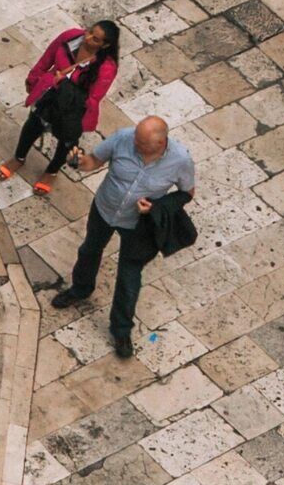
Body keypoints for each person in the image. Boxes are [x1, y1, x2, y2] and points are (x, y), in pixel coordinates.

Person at [44, 114, 194, 361]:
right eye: (136, 138)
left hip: (139, 224)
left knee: (129, 275)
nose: (134, 144)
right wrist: (78, 162)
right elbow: (93, 161)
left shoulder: (181, 160)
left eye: (142, 143)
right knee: (89, 250)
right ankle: (80, 289)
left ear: (161, 144)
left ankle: (121, 330)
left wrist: (155, 207)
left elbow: (186, 193)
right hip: (104, 208)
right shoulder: (125, 137)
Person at [10, 20, 121, 190]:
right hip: (48, 95)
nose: (88, 38)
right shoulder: (70, 37)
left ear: (105, 45)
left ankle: (52, 171)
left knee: (67, 141)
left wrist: (66, 82)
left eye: (96, 39)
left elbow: (93, 98)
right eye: (90, 32)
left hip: (73, 109)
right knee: (33, 124)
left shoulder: (106, 67)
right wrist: (33, 78)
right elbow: (47, 58)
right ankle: (19, 157)